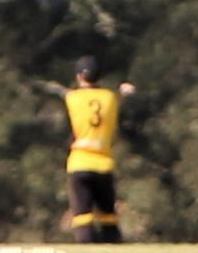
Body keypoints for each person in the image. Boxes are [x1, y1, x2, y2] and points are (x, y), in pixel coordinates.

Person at [51, 56, 135, 243]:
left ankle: (86, 249)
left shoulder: (72, 98)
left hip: (80, 162)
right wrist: (122, 92)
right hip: (104, 164)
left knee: (82, 216)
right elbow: (113, 102)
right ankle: (113, 249)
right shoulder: (110, 98)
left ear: (80, 76)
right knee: (108, 215)